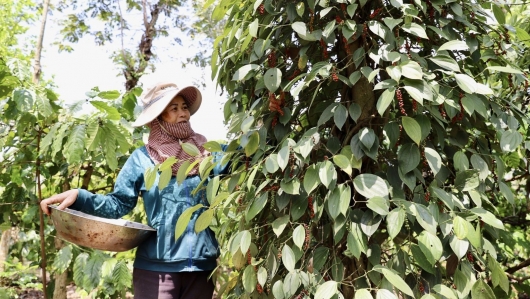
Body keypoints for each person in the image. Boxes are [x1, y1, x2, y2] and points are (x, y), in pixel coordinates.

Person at [40, 82, 229, 299]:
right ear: (158, 119)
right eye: (173, 108)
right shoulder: (142, 159)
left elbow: (244, 156)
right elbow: (118, 204)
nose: (183, 113)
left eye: (184, 107)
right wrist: (80, 197)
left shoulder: (207, 153)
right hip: (156, 270)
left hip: (201, 268)